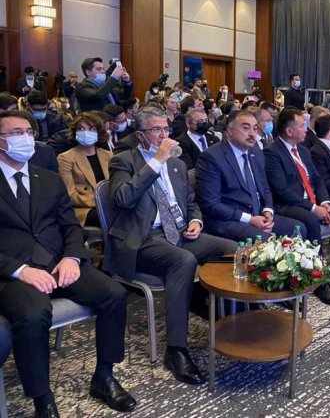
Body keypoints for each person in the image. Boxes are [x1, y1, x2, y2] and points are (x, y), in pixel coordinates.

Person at [0, 110, 136, 416]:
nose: (25, 138)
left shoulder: (47, 179)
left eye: (28, 132)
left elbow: (70, 226)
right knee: (34, 314)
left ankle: (104, 376)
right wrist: (21, 270)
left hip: (57, 261)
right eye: (16, 133)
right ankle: (42, 397)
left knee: (113, 293)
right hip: (13, 272)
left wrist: (72, 257)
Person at [107, 107, 237, 385]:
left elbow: (190, 202)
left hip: (179, 232)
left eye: (166, 129)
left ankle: (229, 318)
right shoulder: (123, 161)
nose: (164, 135)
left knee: (231, 248)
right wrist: (156, 162)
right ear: (140, 135)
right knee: (183, 261)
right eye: (156, 129)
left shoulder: (177, 165)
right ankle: (176, 349)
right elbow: (124, 198)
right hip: (144, 238)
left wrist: (196, 222)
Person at [264, 108, 330, 299]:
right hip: (289, 205)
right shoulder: (272, 153)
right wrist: (314, 208)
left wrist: (325, 203)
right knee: (311, 220)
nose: (307, 129)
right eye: (302, 126)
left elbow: (317, 180)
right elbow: (282, 191)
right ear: (289, 131)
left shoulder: (303, 151)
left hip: (314, 201)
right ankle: (320, 279)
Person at [196, 110, 305, 243]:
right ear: (230, 131)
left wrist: (268, 210)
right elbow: (211, 204)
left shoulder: (256, 153)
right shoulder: (211, 157)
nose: (252, 133)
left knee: (297, 228)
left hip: (258, 215)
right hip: (229, 219)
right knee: (263, 239)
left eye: (255, 128)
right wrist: (250, 219)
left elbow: (265, 188)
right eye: (246, 128)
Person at [57, 112, 112, 228]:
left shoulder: (108, 155)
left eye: (91, 129)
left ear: (98, 132)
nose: (86, 133)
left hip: (109, 203)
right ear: (75, 132)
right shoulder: (65, 158)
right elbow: (69, 194)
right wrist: (99, 201)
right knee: (113, 216)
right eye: (81, 129)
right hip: (83, 208)